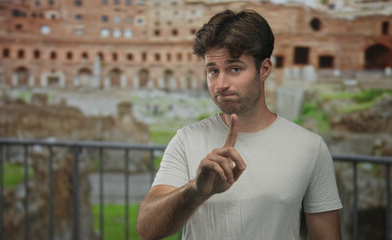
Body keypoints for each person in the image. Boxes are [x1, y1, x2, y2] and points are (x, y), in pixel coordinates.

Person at [137, 9, 342, 240]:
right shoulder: (186, 139)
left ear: (264, 69)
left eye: (234, 69)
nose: (220, 84)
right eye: (213, 71)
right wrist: (195, 191)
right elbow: (147, 229)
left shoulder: (310, 147)